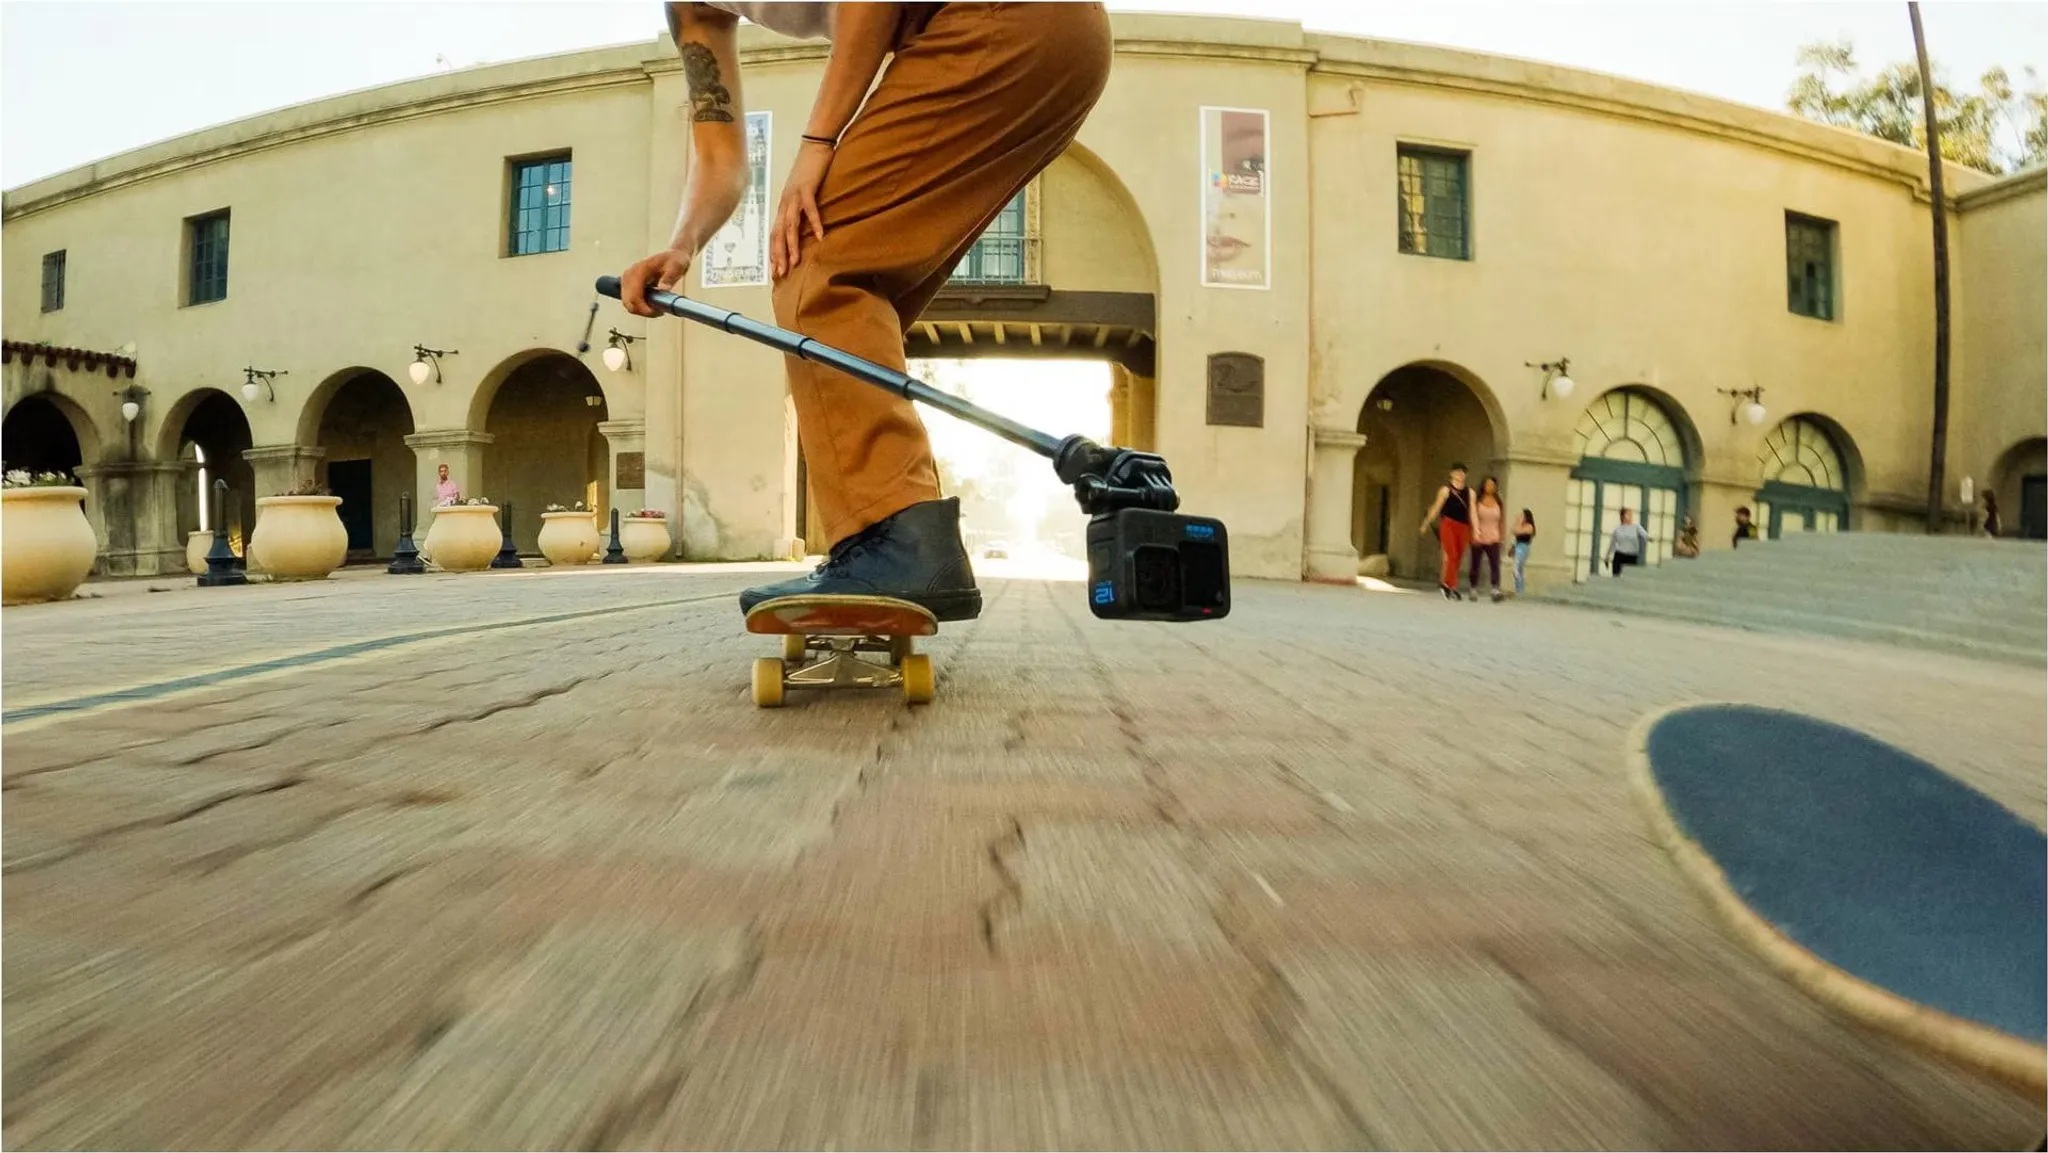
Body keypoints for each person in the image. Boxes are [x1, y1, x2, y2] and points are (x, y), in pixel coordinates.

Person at [620, 3, 1112, 621]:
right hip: (1049, 47)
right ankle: (883, 548)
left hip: (997, 21)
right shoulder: (692, 13)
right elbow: (721, 159)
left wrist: (817, 145)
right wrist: (682, 243)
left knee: (814, 268)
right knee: (853, 316)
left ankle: (898, 545)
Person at [1420, 462, 1473, 600]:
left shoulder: (1470, 492)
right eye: (1458, 471)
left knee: (1458, 557)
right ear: (1451, 474)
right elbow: (1436, 508)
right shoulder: (1445, 490)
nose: (1460, 474)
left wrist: (1476, 529)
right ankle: (1451, 585)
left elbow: (1473, 513)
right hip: (1448, 524)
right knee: (1452, 554)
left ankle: (1448, 585)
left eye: (1463, 472)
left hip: (1464, 527)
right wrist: (1426, 523)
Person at [1467, 475, 1505, 602]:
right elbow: (1472, 518)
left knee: (1495, 563)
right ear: (1483, 486)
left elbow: (1502, 520)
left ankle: (1495, 588)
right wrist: (1473, 534)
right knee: (1475, 563)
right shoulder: (1478, 500)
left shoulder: (1499, 501)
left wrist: (1501, 536)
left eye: (1492, 485)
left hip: (1494, 536)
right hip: (1479, 535)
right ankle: (1473, 587)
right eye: (1487, 484)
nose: (1490, 487)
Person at [1605, 507, 1650, 577]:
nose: (1631, 516)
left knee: (1630, 577)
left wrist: (1650, 539)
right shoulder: (1617, 529)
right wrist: (1607, 557)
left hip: (1631, 556)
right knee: (1616, 576)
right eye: (1628, 514)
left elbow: (1645, 535)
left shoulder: (1636, 526)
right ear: (1623, 516)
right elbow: (1612, 544)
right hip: (1620, 555)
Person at [1510, 508, 1535, 596]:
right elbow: (1513, 531)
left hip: (1523, 548)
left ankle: (1520, 590)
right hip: (1518, 546)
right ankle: (1519, 590)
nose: (1520, 517)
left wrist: (1519, 522)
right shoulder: (1521, 525)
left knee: (1516, 569)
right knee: (1519, 570)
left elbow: (1517, 531)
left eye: (1522, 515)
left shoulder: (1529, 526)